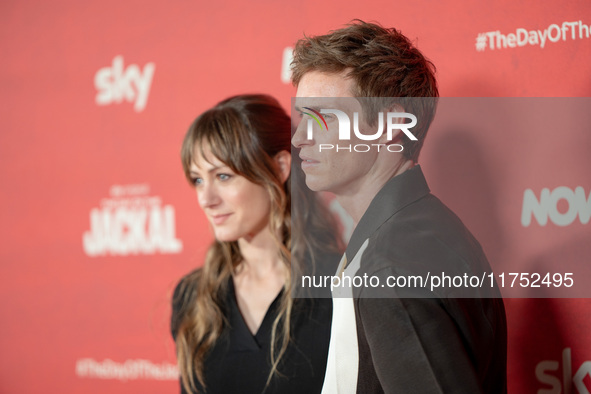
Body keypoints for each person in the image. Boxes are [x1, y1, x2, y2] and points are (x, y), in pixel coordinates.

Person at [291, 21, 508, 393]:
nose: (299, 138)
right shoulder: (411, 235)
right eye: (301, 117)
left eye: (322, 117)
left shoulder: (393, 264)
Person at [171, 94, 341, 394]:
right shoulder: (192, 297)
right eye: (198, 180)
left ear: (279, 168)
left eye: (223, 176)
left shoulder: (342, 287)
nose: (206, 199)